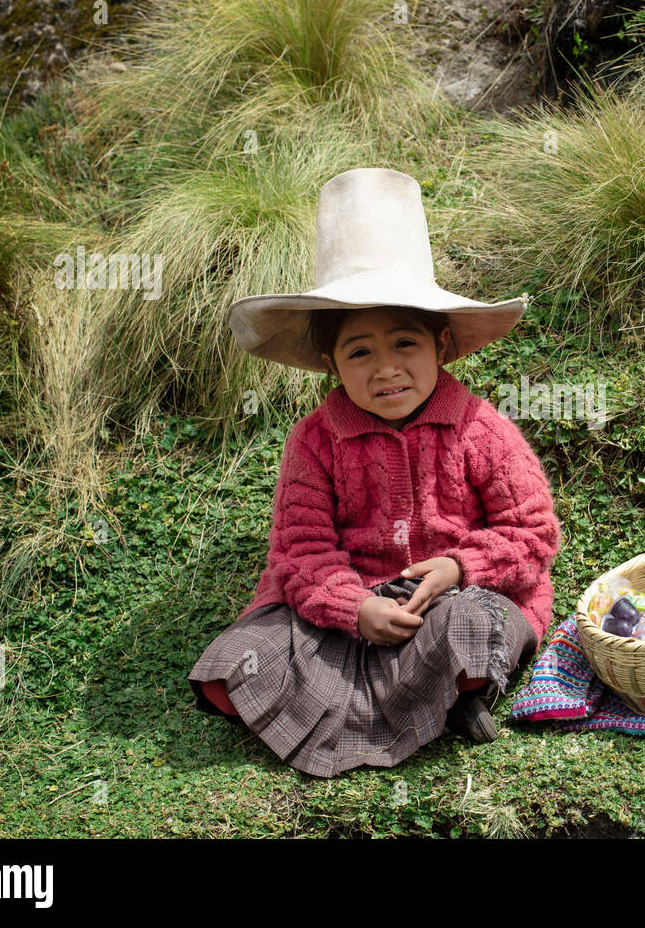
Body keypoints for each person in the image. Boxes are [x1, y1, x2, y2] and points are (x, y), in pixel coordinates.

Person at [188, 168, 561, 778]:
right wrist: (353, 606)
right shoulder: (314, 441)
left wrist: (459, 567)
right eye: (360, 351)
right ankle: (440, 701)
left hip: (452, 598)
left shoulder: (480, 428)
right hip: (347, 613)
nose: (386, 369)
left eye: (405, 344)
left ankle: (456, 688)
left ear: (441, 344)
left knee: (471, 628)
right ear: (330, 363)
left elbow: (533, 534)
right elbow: (300, 551)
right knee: (233, 669)